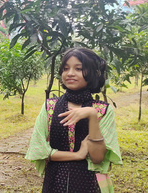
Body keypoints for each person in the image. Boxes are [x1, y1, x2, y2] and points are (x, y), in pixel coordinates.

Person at [25, 48, 122, 193]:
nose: (70, 73)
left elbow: (97, 158)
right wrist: (77, 155)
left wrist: (92, 115)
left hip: (89, 184)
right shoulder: (50, 107)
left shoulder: (103, 111)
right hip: (55, 181)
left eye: (78, 69)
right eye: (65, 68)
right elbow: (39, 150)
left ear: (92, 73)